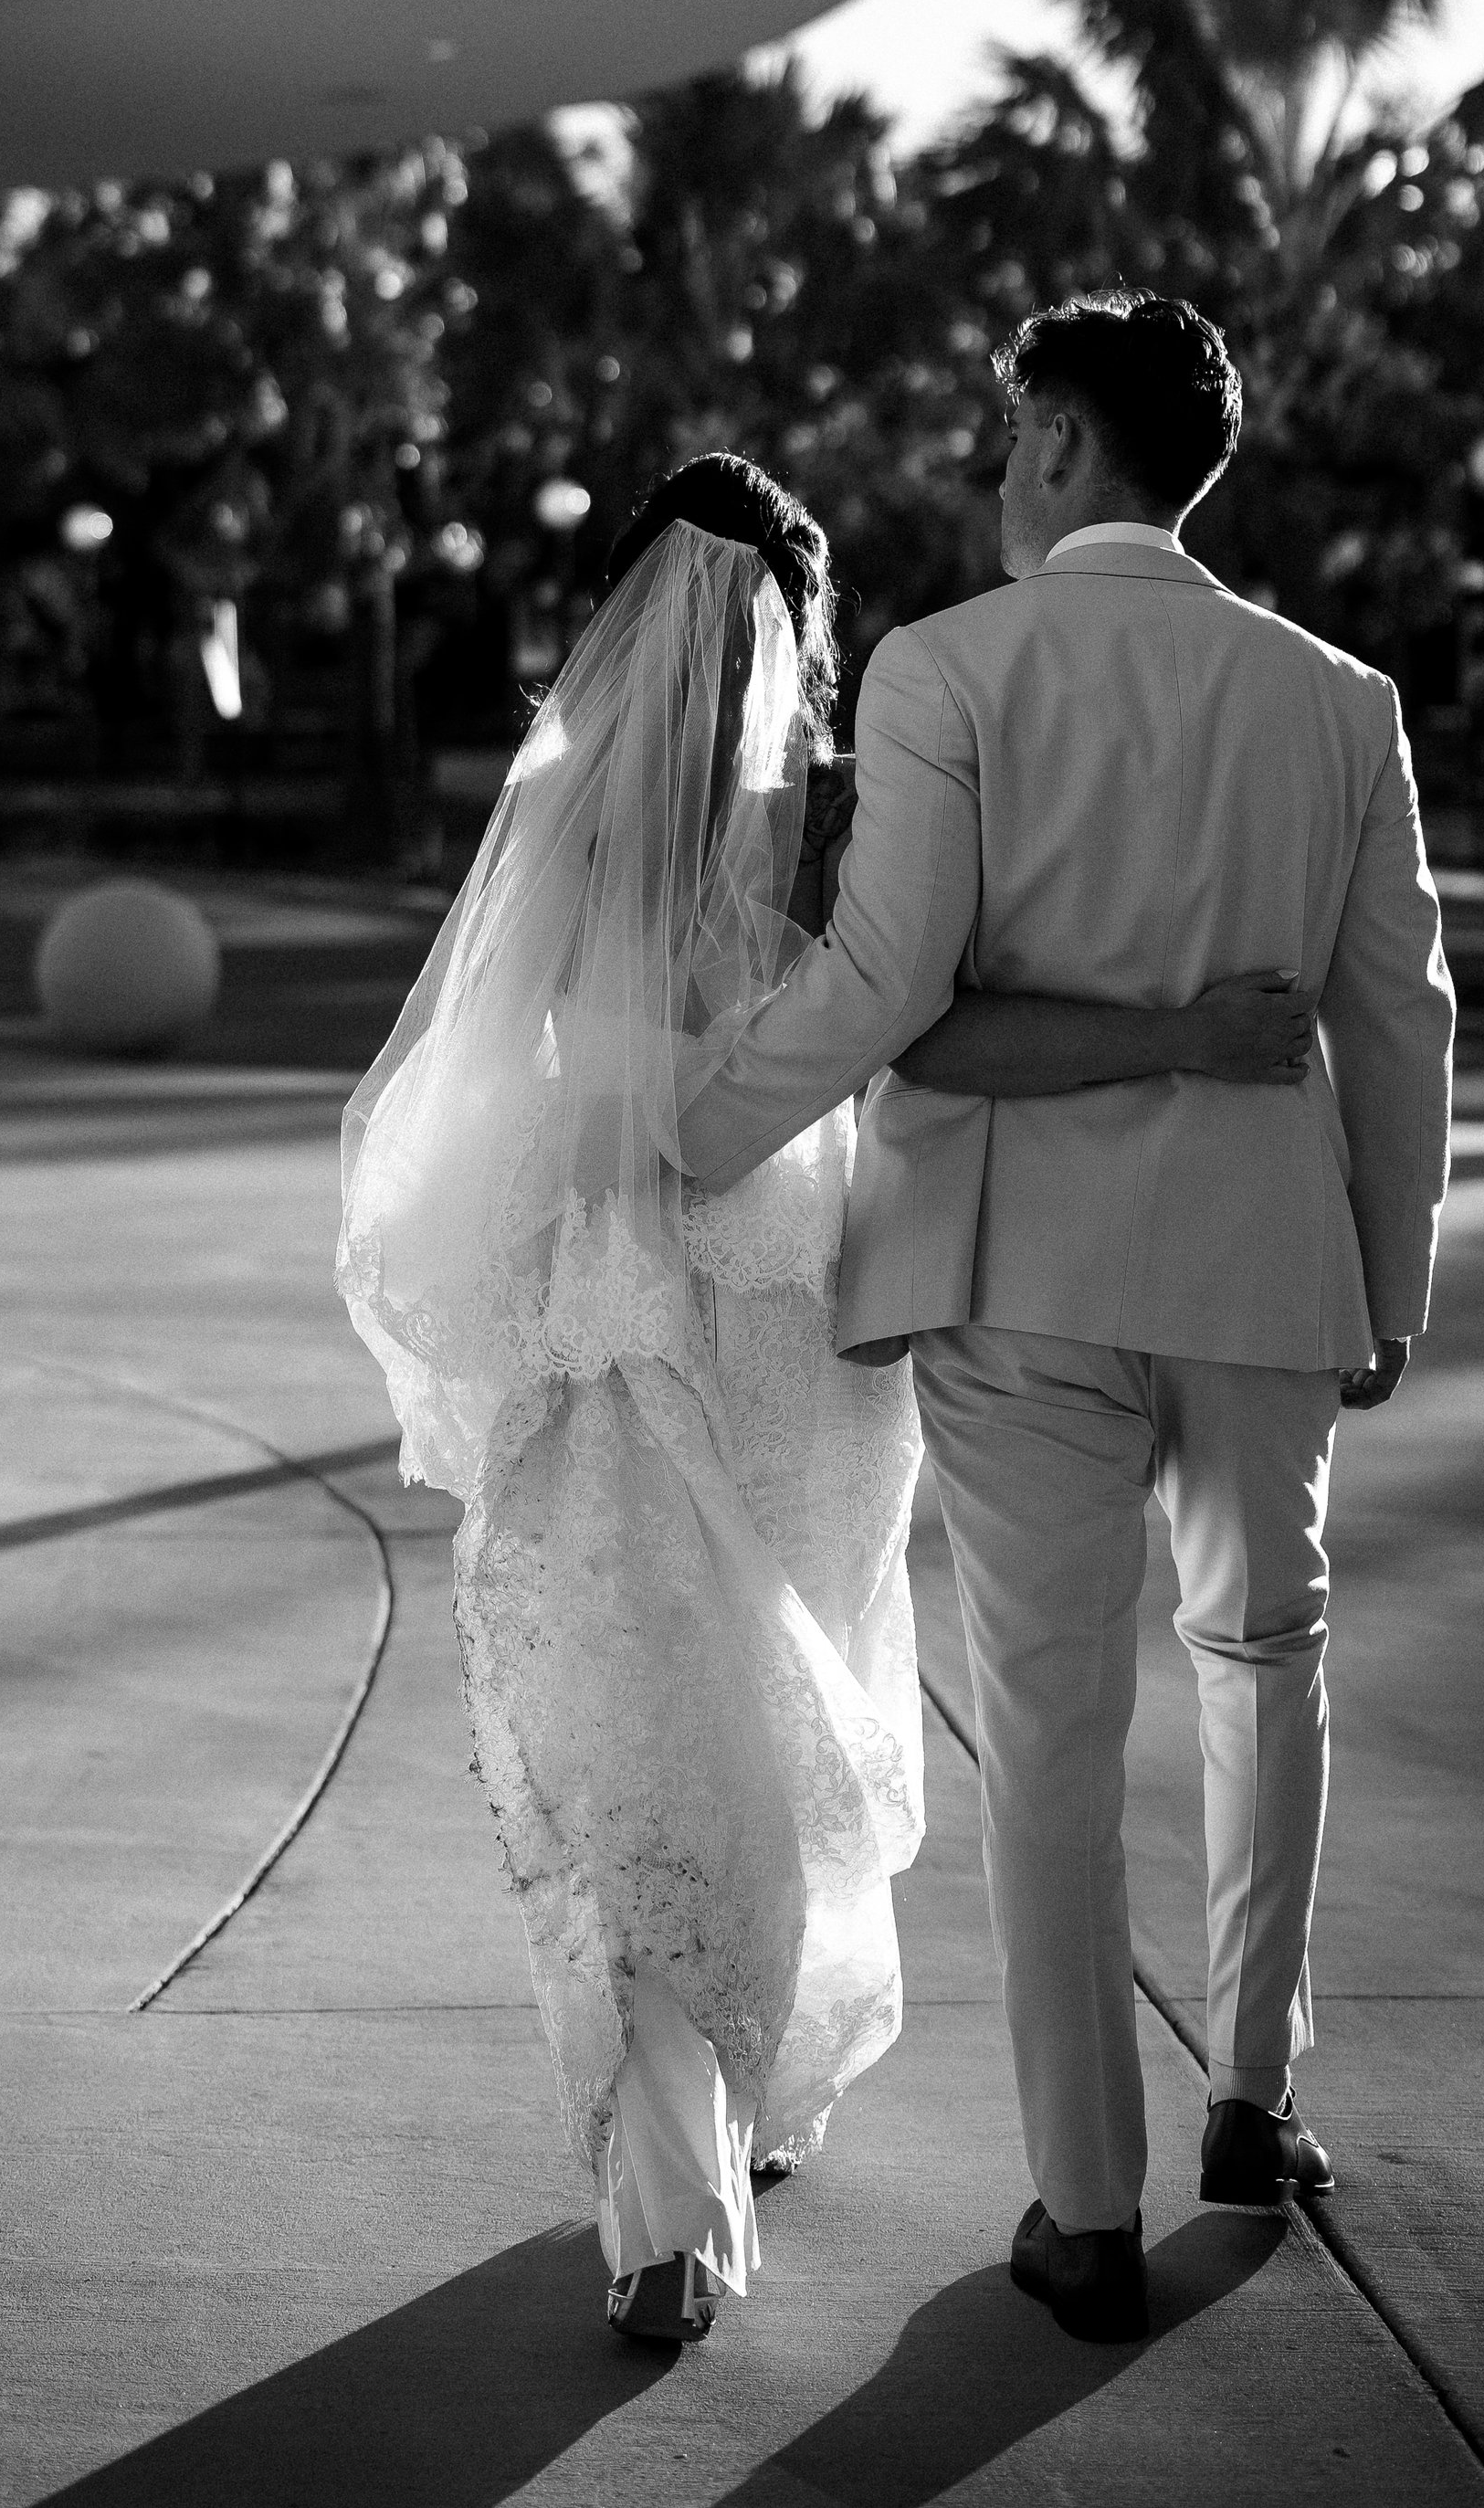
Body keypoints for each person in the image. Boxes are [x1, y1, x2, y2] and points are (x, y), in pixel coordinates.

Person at [339, 448, 1319, 2346]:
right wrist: (1176, 1042)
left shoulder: (569, 811)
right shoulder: (853, 808)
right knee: (769, 1733)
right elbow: (918, 1016)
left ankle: (669, 2214)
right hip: (795, 1305)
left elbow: (495, 1069)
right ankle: (711, 2146)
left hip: (612, 1296)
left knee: (643, 1741)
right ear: (799, 636)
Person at [679, 300, 1455, 2347]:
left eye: (1002, 428)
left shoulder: (947, 668)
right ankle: (1253, 2104)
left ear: (1049, 443)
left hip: (1014, 1272)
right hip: (1267, 1267)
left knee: (1048, 1727)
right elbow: (1396, 1017)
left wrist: (681, 1138)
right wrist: (1392, 1274)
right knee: (1263, 1653)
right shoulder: (1334, 699)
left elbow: (876, 990)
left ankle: (1083, 2210)